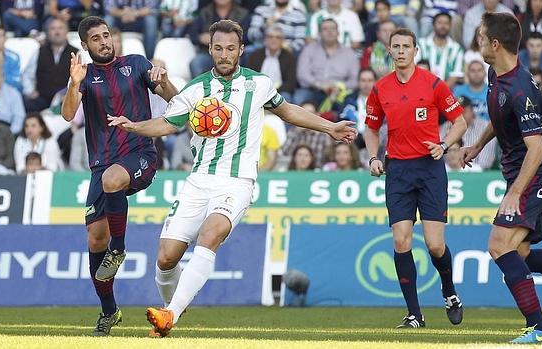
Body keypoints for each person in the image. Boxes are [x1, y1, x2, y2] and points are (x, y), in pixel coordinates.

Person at [106, 19, 356, 337]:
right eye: (218, 48)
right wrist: (134, 125)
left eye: (231, 49)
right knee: (166, 258)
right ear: (210, 49)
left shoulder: (259, 84)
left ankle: (169, 314)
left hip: (237, 182)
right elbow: (168, 124)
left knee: (210, 236)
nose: (224, 55)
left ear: (240, 50)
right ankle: (171, 314)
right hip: (199, 180)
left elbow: (288, 110)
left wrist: (329, 126)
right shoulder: (196, 89)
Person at [461, 12, 542, 344]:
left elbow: (535, 148)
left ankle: (541, 329)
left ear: (494, 43)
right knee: (519, 255)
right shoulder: (495, 73)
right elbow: (499, 117)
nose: (476, 44)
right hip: (520, 174)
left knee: (498, 245)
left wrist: (515, 192)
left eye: (479, 38)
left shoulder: (520, 88)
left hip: (533, 174)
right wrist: (476, 145)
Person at [60, 16, 178, 336]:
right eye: (96, 39)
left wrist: (163, 80)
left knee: (114, 181)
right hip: (102, 165)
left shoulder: (137, 64)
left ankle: (119, 248)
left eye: (106, 35)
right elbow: (68, 113)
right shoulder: (85, 76)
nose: (104, 41)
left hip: (140, 155)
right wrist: (73, 84)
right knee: (94, 239)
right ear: (85, 46)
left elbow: (174, 100)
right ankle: (109, 311)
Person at [364, 27, 467, 329]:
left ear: (415, 51)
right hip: (397, 171)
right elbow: (371, 128)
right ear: (390, 51)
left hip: (430, 167)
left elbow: (459, 122)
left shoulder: (434, 84)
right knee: (400, 240)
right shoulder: (380, 88)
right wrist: (373, 157)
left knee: (435, 246)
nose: (400, 51)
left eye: (406, 46)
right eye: (395, 46)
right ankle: (414, 315)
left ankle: (449, 291)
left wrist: (445, 145)